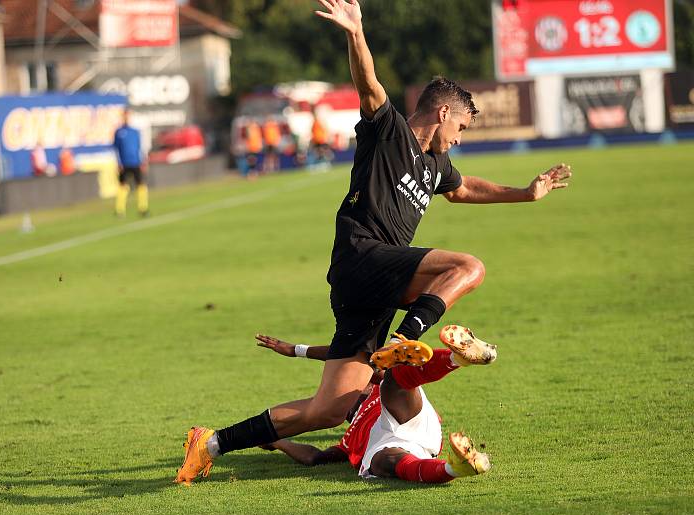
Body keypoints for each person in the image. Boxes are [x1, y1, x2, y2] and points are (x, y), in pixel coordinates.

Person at [175, 0, 571, 485]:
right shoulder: (390, 132)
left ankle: (209, 444)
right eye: (461, 128)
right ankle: (411, 336)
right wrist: (356, 33)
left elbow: (464, 189)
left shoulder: (435, 167)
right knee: (469, 267)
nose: (460, 139)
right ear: (443, 112)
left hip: (370, 290)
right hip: (364, 256)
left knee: (328, 410)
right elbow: (369, 85)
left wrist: (527, 194)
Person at [255, 326, 492, 483]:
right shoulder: (348, 441)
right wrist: (277, 441)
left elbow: (346, 355)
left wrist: (298, 350)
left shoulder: (372, 384)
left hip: (409, 416)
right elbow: (314, 458)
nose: (342, 393)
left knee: (391, 381)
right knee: (384, 461)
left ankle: (456, 358)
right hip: (390, 443)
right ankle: (455, 468)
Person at [113, 109, 148, 217]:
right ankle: (120, 210)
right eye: (124, 116)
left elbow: (140, 147)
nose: (126, 118)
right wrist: (118, 163)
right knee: (123, 186)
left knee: (141, 185)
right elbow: (116, 149)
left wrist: (143, 161)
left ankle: (143, 208)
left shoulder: (135, 132)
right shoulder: (119, 132)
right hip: (124, 164)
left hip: (136, 162)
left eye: (128, 116)